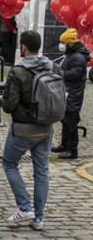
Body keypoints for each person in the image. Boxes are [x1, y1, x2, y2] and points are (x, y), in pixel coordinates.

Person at [1, 30, 61, 230]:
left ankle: (25, 207)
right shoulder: (54, 67)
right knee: (41, 171)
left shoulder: (17, 71)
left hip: (23, 128)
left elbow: (9, 105)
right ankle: (39, 218)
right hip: (46, 126)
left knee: (10, 163)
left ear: (23, 47)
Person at [52, 28, 89, 160]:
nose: (61, 45)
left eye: (63, 43)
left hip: (73, 94)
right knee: (65, 119)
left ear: (71, 44)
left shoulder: (78, 57)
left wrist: (59, 73)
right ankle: (64, 144)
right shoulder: (71, 54)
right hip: (68, 92)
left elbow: (75, 75)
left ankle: (72, 150)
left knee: (71, 122)